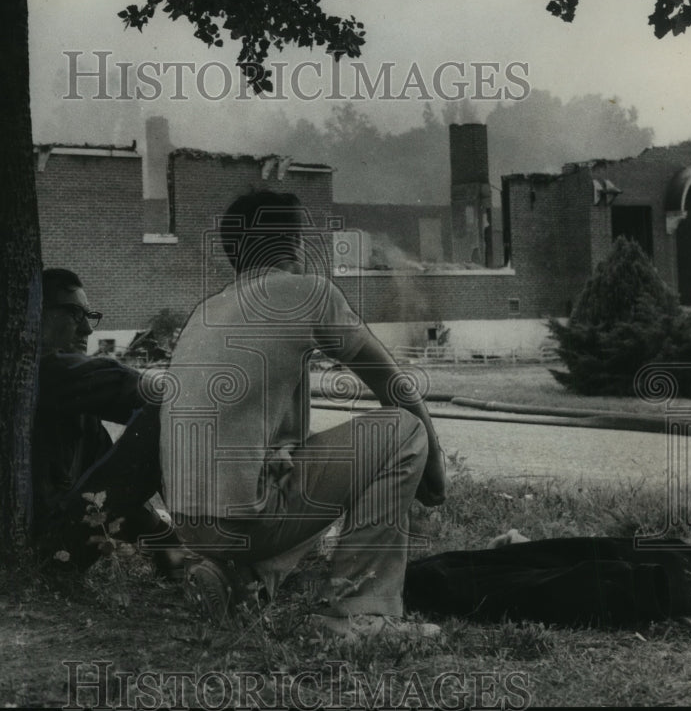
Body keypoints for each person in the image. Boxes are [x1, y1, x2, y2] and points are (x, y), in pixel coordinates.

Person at [159, 191, 448, 641]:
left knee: (293, 465)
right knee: (404, 431)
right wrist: (434, 465)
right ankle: (360, 613)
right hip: (243, 521)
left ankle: (240, 578)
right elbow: (394, 386)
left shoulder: (206, 311)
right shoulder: (307, 293)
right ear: (295, 244)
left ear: (234, 253)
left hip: (189, 523)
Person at [33, 268, 182, 577]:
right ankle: (213, 545)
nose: (87, 329)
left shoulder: (75, 401)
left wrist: (166, 541)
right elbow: (135, 388)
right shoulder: (44, 370)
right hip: (42, 550)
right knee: (169, 415)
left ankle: (188, 550)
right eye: (75, 313)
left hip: (53, 540)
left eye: (90, 316)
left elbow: (114, 483)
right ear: (36, 314)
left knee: (168, 418)